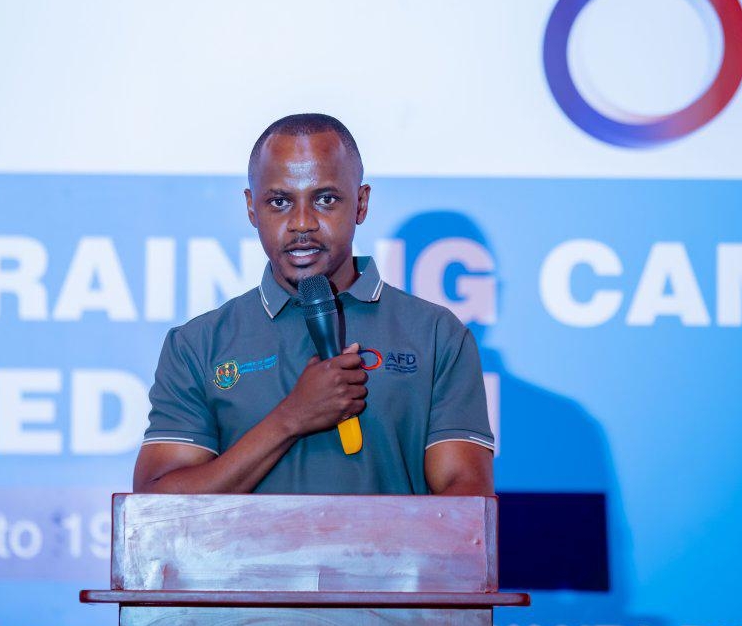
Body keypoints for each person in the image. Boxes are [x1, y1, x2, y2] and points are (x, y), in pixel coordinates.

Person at [133, 113, 494, 495]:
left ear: (361, 203)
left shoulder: (436, 334)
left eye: (325, 199)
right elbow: (156, 505)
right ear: (252, 208)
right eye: (279, 202)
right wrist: (291, 418)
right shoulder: (197, 344)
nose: (302, 222)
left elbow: (467, 500)